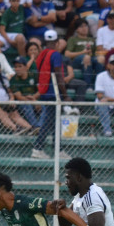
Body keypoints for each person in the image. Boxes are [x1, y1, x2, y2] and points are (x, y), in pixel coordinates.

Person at [31, 30, 70, 158]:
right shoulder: (55, 55)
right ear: (57, 42)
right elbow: (59, 76)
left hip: (45, 91)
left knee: (53, 123)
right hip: (54, 93)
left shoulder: (42, 54)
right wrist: (65, 95)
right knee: (48, 122)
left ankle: (58, 149)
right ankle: (38, 148)